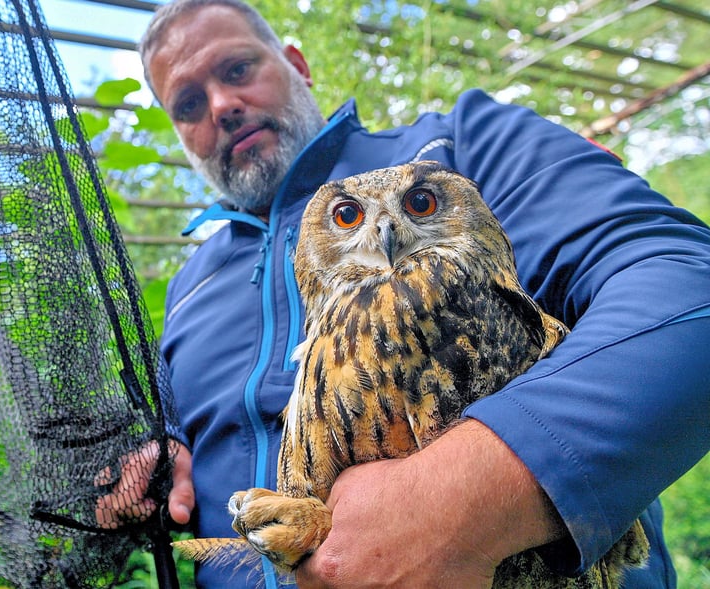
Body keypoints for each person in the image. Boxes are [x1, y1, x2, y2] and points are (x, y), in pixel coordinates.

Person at [115, 0, 710, 586]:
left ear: (296, 64)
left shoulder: (465, 145)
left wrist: (468, 498)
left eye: (238, 69)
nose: (222, 106)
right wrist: (165, 448)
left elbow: (688, 279)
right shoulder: (194, 281)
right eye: (189, 103)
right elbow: (191, 422)